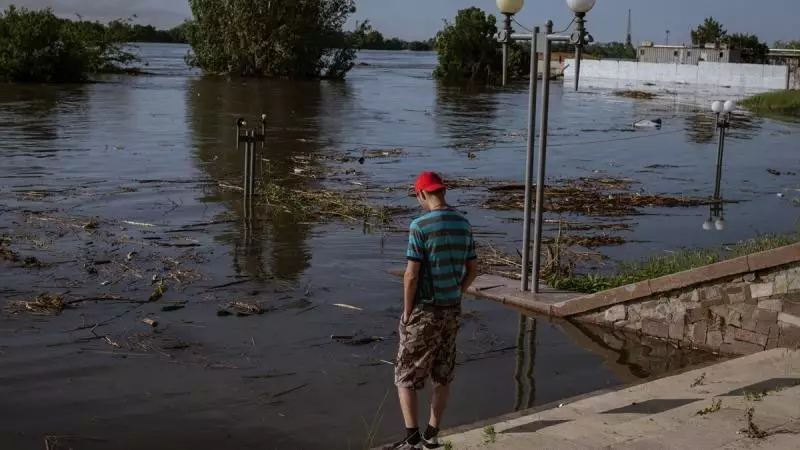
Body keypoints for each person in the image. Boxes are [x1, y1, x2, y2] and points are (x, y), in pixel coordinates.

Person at [385, 171, 479, 450]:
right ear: (443, 191)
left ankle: (412, 437)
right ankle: (432, 434)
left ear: (422, 194)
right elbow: (473, 269)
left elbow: (411, 275)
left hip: (426, 309)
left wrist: (406, 311)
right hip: (452, 309)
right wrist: (458, 291)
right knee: (443, 372)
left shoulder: (420, 226)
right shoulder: (463, 223)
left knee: (405, 373)